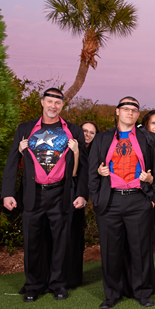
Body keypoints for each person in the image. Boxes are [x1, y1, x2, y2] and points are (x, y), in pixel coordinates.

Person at [1, 88, 88, 303]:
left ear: (62, 106)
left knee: (61, 242)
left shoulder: (73, 131)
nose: (53, 106)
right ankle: (33, 285)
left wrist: (82, 194)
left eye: (57, 103)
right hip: (33, 194)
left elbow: (84, 167)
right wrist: (8, 193)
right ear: (42, 102)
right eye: (49, 102)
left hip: (62, 194)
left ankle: (58, 284)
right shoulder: (25, 129)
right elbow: (12, 162)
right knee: (32, 242)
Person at [89, 96, 155, 309]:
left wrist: (153, 199)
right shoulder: (102, 139)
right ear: (117, 111)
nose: (130, 113)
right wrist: (96, 198)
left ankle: (142, 292)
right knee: (110, 251)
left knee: (140, 250)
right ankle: (112, 295)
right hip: (110, 201)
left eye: (134, 109)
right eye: (126, 109)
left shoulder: (150, 139)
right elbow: (91, 174)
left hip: (138, 200)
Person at [66, 120, 99, 289]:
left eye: (91, 132)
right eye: (84, 130)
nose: (87, 135)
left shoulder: (96, 152)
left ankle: (73, 278)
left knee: (76, 237)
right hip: (67, 194)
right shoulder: (69, 147)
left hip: (82, 197)